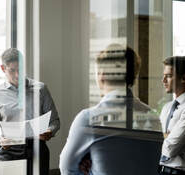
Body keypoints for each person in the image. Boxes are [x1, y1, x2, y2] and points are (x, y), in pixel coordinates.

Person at [60, 44, 161, 175]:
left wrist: (90, 170)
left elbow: (67, 170)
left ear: (101, 74)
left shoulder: (89, 118)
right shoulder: (153, 117)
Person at [0, 48, 60, 175]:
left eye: (20, 69)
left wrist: (50, 131)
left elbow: (55, 121)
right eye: (12, 70)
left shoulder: (41, 89)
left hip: (37, 148)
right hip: (9, 150)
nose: (17, 75)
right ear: (3, 69)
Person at [158, 56, 185, 175]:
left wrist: (163, 137)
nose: (163, 80)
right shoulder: (166, 108)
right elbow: (155, 141)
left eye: (168, 76)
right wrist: (167, 136)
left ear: (183, 78)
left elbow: (170, 149)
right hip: (161, 169)